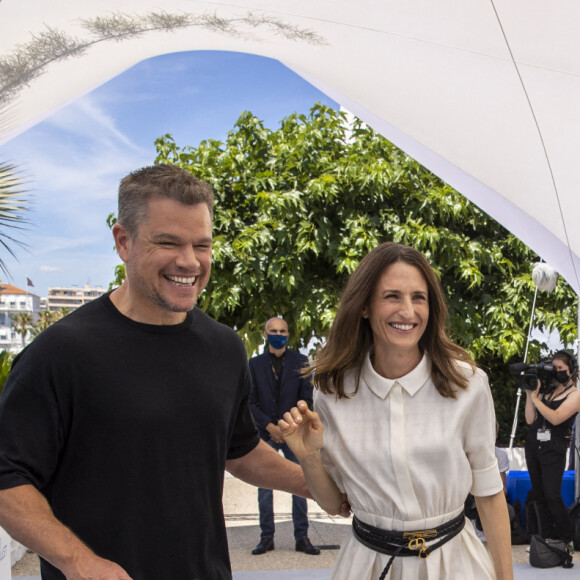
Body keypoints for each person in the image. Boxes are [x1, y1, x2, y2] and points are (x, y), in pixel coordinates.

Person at [0, 164, 312, 580]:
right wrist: (80, 562)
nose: (190, 262)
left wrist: (319, 484)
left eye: (202, 245)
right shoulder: (60, 352)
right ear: (123, 241)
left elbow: (238, 450)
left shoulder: (224, 347)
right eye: (168, 242)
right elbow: (7, 475)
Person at [279, 242, 513, 579]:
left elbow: (490, 495)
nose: (408, 311)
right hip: (367, 566)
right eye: (392, 296)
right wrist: (308, 457)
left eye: (419, 297)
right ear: (364, 307)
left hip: (455, 565)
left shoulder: (468, 384)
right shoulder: (332, 391)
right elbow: (334, 504)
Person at [248, 316, 320, 556]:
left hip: (293, 432)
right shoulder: (254, 364)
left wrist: (287, 426)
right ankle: (266, 537)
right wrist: (270, 427)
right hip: (265, 432)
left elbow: (306, 398)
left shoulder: (300, 362)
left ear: (288, 335)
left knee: (300, 483)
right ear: (265, 334)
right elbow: (250, 401)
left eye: (283, 330)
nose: (278, 334)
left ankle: (302, 537)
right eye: (273, 330)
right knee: (264, 486)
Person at [525, 349, 580, 555]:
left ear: (571, 370)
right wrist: (531, 395)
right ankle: (545, 538)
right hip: (533, 445)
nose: (556, 372)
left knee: (552, 495)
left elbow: (556, 418)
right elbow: (530, 419)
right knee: (538, 494)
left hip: (554, 449)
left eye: (561, 369)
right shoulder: (546, 390)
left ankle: (567, 539)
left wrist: (538, 400)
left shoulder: (575, 395)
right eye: (554, 367)